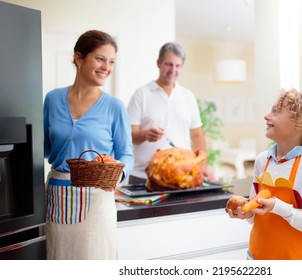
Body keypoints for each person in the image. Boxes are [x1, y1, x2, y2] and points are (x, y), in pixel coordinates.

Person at [43, 30, 134, 260]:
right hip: (58, 195)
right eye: (100, 59)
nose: (107, 67)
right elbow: (43, 148)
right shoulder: (52, 99)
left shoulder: (114, 106)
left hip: (98, 198)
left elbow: (126, 154)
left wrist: (115, 177)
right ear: (78, 58)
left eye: (111, 61)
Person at [227, 88, 302, 260]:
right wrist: (247, 213)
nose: (267, 116)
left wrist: (280, 208)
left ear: (299, 123)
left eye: (276, 112)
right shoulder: (262, 161)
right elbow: (256, 215)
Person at [127, 42, 214, 184]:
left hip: (181, 176)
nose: (173, 69)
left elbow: (197, 136)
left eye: (178, 65)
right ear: (158, 63)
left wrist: (202, 167)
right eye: (168, 64)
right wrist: (145, 134)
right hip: (144, 177)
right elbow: (128, 135)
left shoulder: (188, 96)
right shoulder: (141, 94)